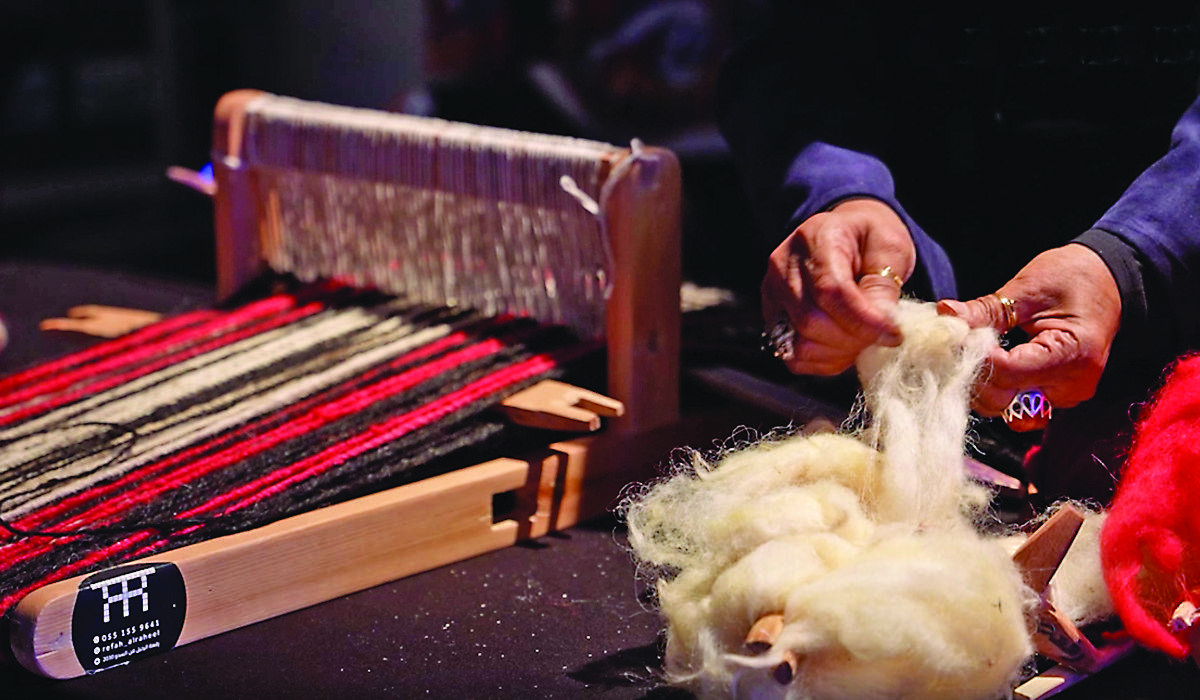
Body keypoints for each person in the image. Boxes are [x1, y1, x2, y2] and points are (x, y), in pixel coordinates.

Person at [719, 2, 1200, 501]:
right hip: (903, 329)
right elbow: (785, 50)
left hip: (1170, 384)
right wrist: (841, 193)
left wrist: (1138, 257)